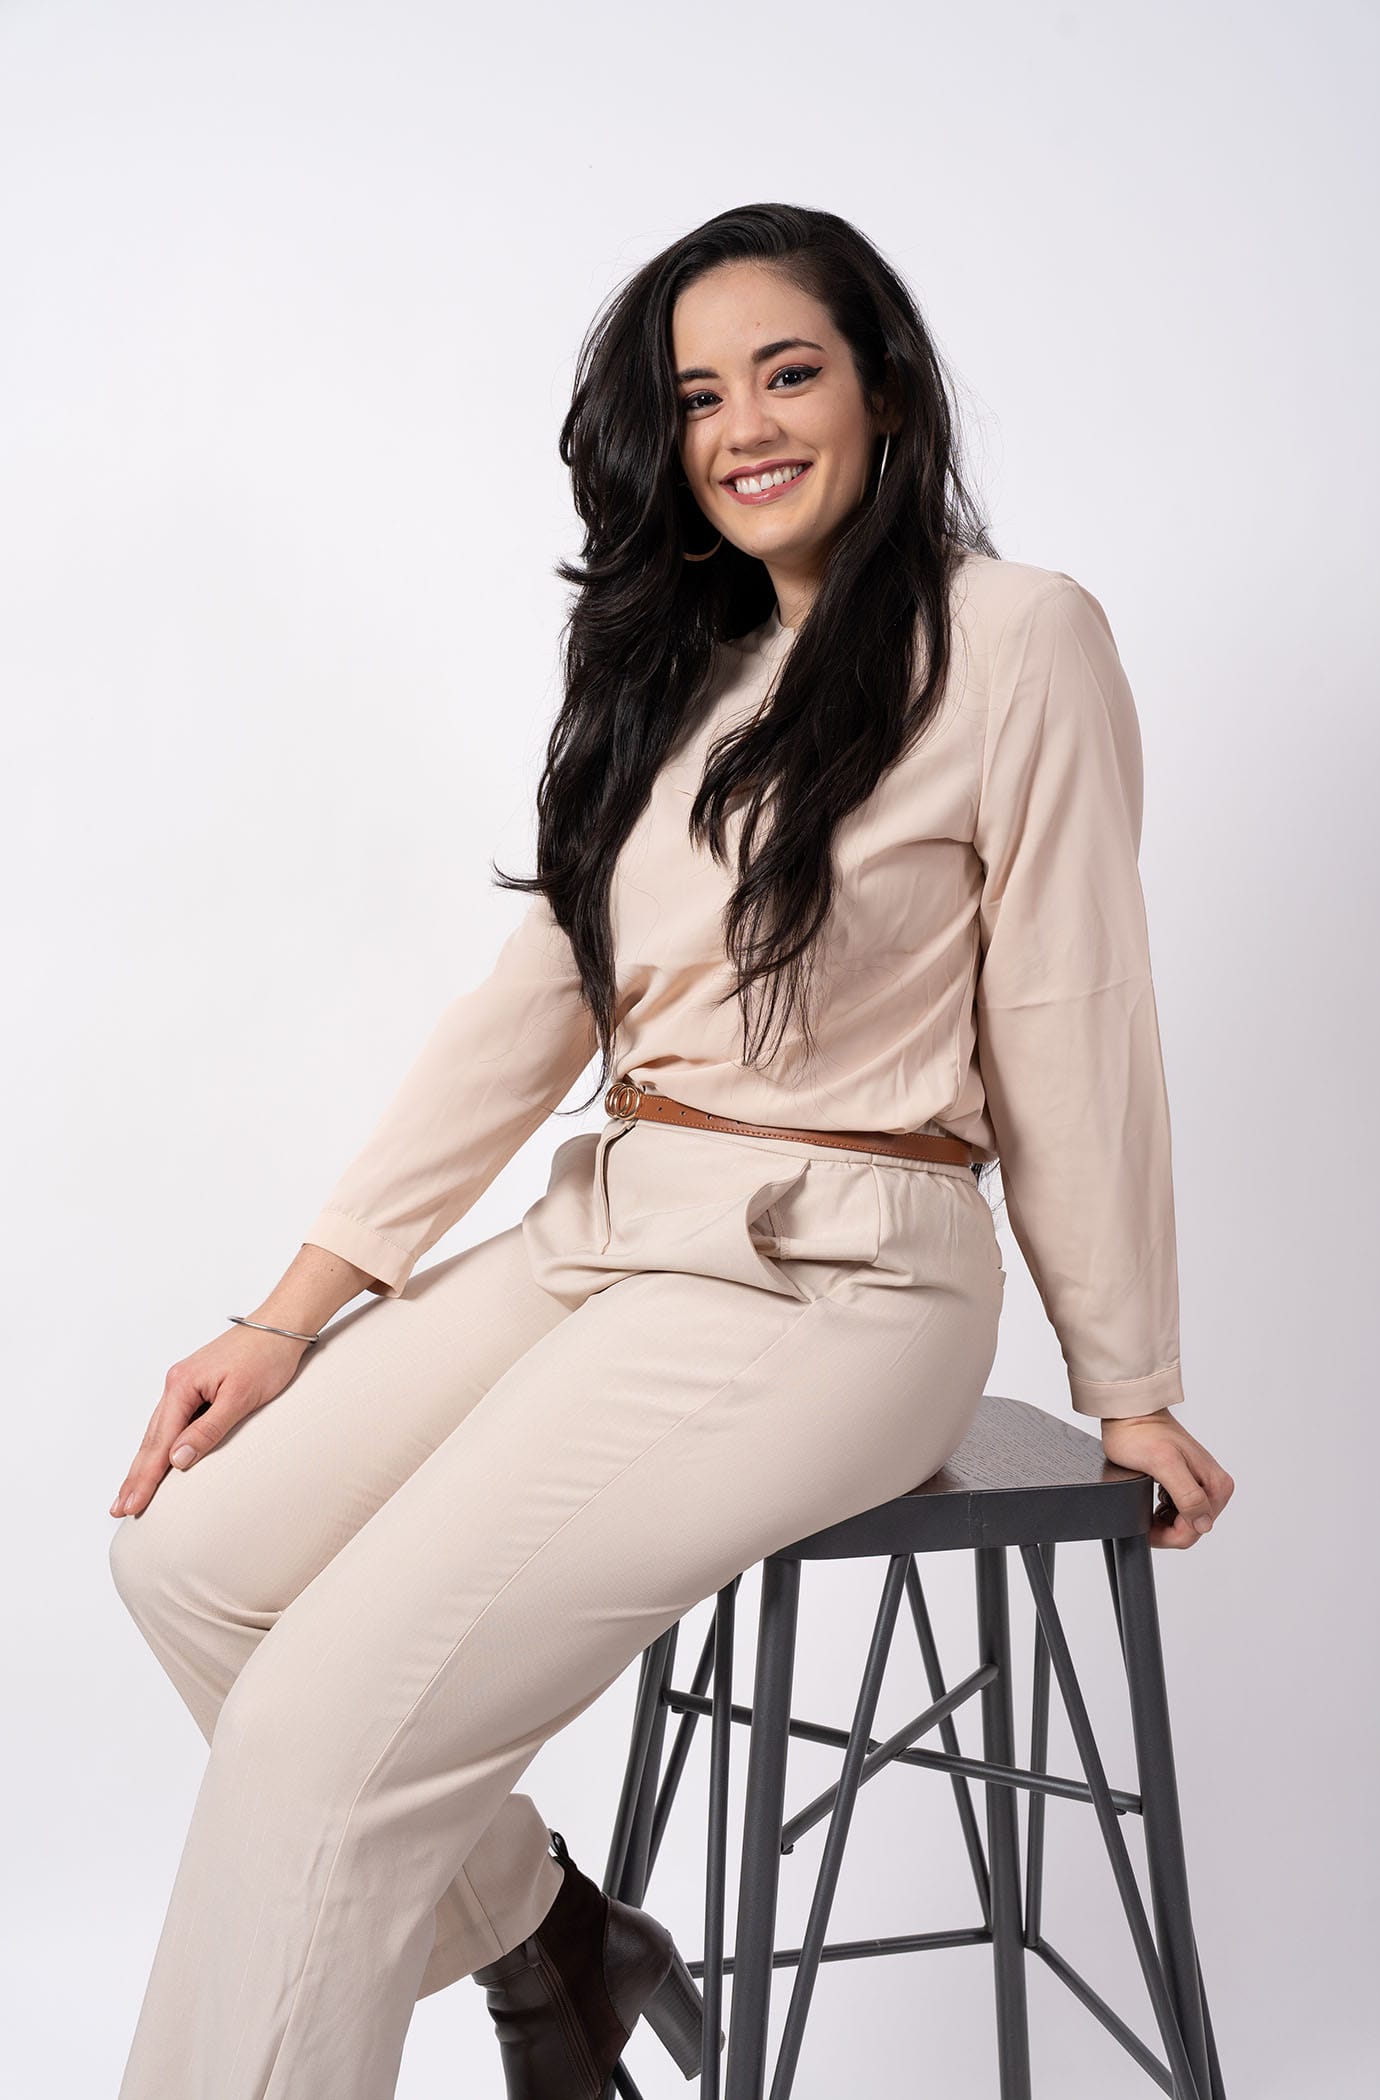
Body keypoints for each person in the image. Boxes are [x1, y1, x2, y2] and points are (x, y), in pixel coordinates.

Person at [107, 201, 1234, 2100]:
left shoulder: (1017, 638)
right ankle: (552, 1935)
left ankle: (526, 1953)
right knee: (193, 1566)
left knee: (317, 1736)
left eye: (788, 373)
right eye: (699, 396)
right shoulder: (672, 666)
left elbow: (1075, 1013)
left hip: (841, 1274)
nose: (745, 428)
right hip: (616, 1220)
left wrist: (1131, 1387)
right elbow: (533, 1003)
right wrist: (292, 1313)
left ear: (884, 389)